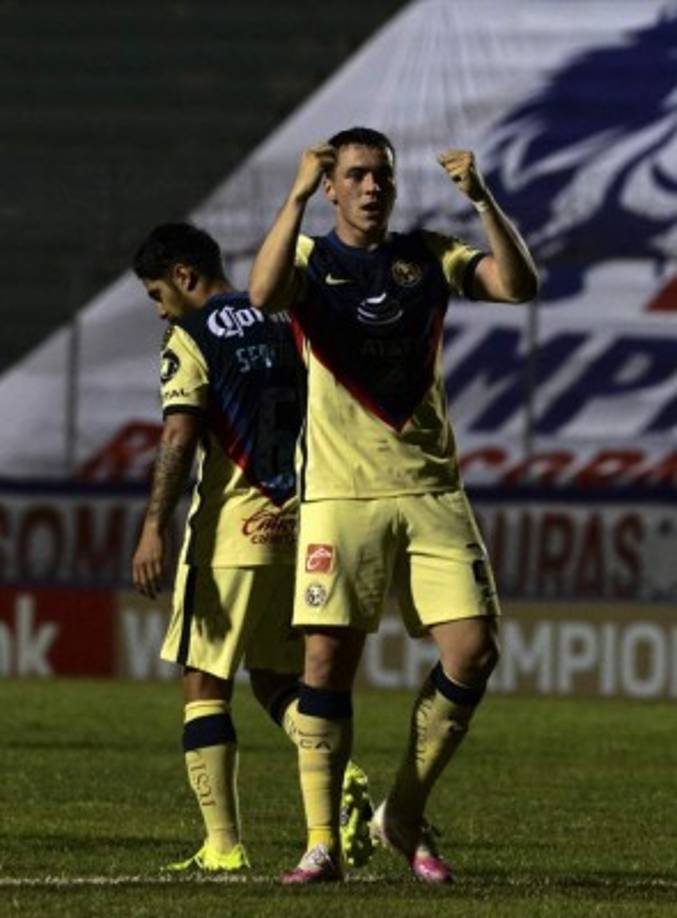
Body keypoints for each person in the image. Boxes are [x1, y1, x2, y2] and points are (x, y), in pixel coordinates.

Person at [248, 127, 538, 884]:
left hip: (431, 489)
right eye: (355, 175)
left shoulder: (429, 255)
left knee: (474, 650)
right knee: (325, 661)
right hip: (340, 493)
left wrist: (484, 202)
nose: (372, 186)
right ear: (332, 187)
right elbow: (263, 294)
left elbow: (518, 286)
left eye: (381, 174)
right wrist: (294, 196)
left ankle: (401, 813)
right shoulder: (308, 258)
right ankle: (320, 842)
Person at [131, 222, 373, 874]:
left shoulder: (191, 335)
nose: (159, 309)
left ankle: (223, 846)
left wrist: (153, 525)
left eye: (157, 293)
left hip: (231, 533)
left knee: (203, 681)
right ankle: (342, 770)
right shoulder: (286, 317)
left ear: (184, 276)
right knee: (275, 678)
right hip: (301, 527)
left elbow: (179, 436)